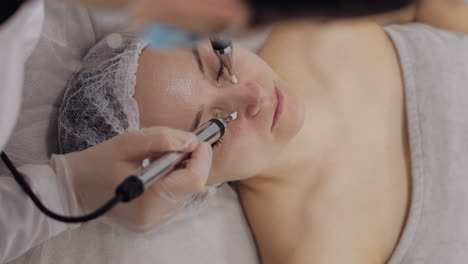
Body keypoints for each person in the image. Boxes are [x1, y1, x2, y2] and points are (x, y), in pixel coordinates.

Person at [0, 0, 420, 262]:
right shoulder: (322, 251)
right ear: (191, 188)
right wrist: (67, 192)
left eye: (222, 65)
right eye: (214, 131)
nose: (252, 96)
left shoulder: (314, 21)